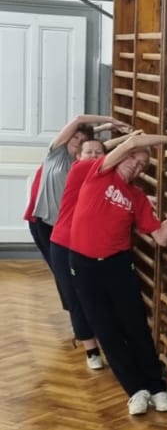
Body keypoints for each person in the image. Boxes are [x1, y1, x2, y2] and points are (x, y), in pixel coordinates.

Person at [69, 130, 167, 414]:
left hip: (118, 265)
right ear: (121, 157)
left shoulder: (136, 197)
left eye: (142, 165)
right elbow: (134, 141)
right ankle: (135, 390)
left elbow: (161, 238)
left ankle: (157, 387)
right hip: (84, 265)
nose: (136, 166)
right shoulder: (99, 173)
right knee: (106, 330)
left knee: (135, 325)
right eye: (133, 160)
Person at [26, 112, 119, 306]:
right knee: (60, 272)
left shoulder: (84, 164)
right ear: (67, 138)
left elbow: (101, 150)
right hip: (44, 224)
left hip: (66, 228)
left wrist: (129, 139)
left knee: (71, 273)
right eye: (74, 137)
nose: (77, 141)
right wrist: (109, 121)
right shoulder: (55, 154)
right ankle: (74, 310)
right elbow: (79, 120)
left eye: (81, 140)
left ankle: (78, 311)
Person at [50, 136, 107, 370]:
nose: (93, 156)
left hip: (88, 248)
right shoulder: (79, 170)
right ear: (78, 157)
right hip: (64, 244)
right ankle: (91, 351)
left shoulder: (106, 178)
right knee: (75, 298)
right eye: (88, 152)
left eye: (98, 152)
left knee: (93, 296)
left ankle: (102, 341)